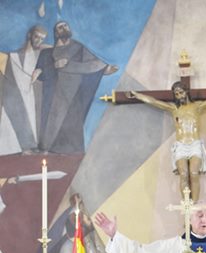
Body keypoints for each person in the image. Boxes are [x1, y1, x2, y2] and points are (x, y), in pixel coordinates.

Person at [127, 82, 206, 202]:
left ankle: (194, 206)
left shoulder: (197, 107)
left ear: (186, 92)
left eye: (181, 92)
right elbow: (154, 101)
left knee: (194, 173)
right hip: (181, 146)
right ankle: (186, 207)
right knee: (183, 174)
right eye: (177, 94)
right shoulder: (174, 109)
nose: (179, 95)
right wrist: (137, 95)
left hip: (194, 144)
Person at [32, 21, 118, 154]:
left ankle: (68, 153)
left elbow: (93, 64)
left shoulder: (79, 47)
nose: (64, 28)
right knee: (51, 119)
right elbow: (44, 74)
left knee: (71, 121)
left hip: (74, 92)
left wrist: (103, 68)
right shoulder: (49, 52)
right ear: (56, 33)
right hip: (54, 92)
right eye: (60, 27)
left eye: (65, 25)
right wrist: (39, 70)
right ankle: (46, 149)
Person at [0, 25, 48, 155]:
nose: (38, 41)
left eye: (42, 39)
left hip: (31, 95)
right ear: (29, 35)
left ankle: (30, 146)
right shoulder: (14, 55)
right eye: (36, 36)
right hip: (16, 94)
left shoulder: (40, 55)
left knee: (33, 118)